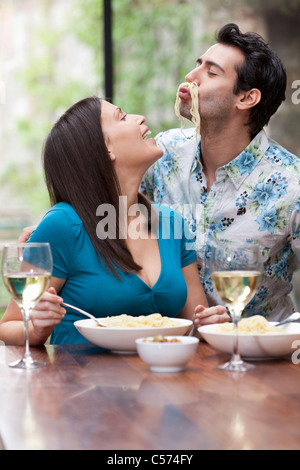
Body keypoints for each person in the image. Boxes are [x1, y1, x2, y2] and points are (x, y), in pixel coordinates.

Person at [0, 97, 228, 346]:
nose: (139, 118)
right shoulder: (62, 225)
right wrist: (36, 329)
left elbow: (195, 324)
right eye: (122, 116)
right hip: (79, 383)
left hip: (158, 381)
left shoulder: (171, 222)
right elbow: (9, 326)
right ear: (105, 148)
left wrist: (209, 325)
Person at [141, 23, 300, 322]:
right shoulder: (163, 154)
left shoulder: (292, 185)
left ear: (246, 98)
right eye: (198, 64)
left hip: (258, 358)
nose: (191, 77)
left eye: (211, 72)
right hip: (168, 347)